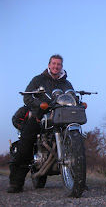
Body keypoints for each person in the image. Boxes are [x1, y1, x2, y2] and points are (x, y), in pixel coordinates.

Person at [8, 54, 74, 193]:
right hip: (40, 115)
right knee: (26, 142)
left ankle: (78, 179)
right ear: (49, 65)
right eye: (54, 64)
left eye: (59, 64)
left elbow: (71, 96)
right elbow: (27, 96)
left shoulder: (66, 84)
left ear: (61, 67)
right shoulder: (38, 80)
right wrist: (40, 104)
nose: (56, 66)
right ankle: (16, 183)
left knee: (73, 135)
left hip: (60, 116)